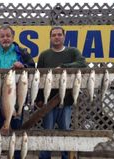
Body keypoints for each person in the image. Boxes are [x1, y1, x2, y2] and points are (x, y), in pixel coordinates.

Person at [0, 24, 35, 159]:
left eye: (8, 36)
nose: (5, 39)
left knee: (14, 133)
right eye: (2, 36)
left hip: (14, 98)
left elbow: (32, 67)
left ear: (13, 37)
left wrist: (23, 66)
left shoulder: (22, 52)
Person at [36, 26, 87, 159]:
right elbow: (39, 78)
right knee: (47, 132)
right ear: (50, 38)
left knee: (65, 132)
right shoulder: (44, 55)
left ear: (64, 37)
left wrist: (64, 67)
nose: (57, 37)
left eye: (59, 34)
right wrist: (38, 99)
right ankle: (44, 157)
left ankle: (66, 157)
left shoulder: (73, 51)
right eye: (54, 35)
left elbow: (82, 63)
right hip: (48, 102)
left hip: (67, 101)